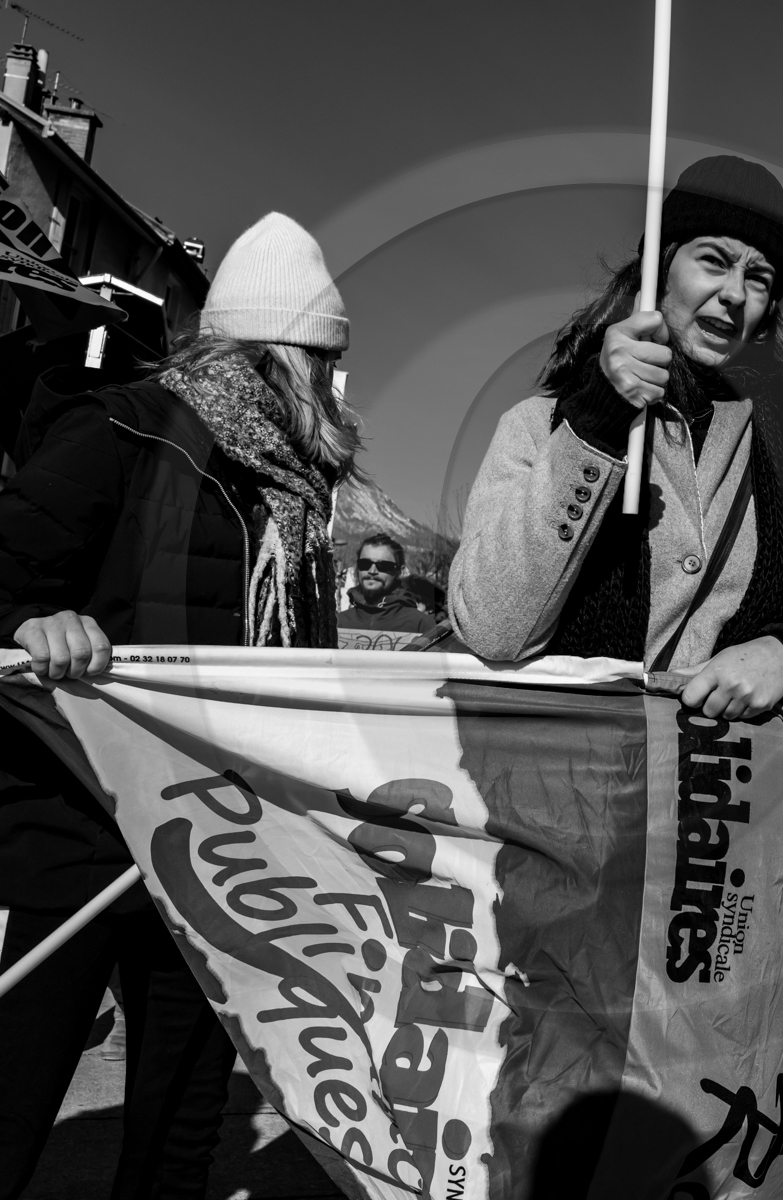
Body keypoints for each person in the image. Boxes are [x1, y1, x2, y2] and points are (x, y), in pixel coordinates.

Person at [0, 211, 358, 1199]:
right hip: (81, 830)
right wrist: (35, 620)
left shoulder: (294, 496)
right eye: (318, 357)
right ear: (262, 343)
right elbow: (9, 566)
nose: (328, 383)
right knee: (15, 1089)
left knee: (186, 1117)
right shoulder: (122, 426)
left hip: (218, 849)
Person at [449, 156, 783, 723]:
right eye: (713, 260)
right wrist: (599, 421)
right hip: (561, 788)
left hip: (721, 800)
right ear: (660, 270)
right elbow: (492, 628)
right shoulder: (540, 426)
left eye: (758, 277)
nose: (735, 293)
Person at [338, 533, 437, 648]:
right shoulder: (338, 622)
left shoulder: (422, 625)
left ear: (400, 571)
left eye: (383, 565)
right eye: (365, 564)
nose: (372, 571)